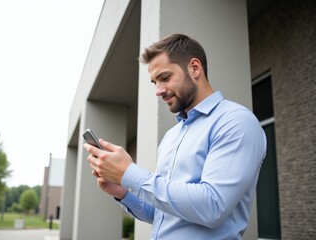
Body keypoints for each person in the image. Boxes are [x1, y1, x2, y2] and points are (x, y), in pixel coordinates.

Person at [83, 33, 267, 239]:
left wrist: (129, 173)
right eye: (154, 82)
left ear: (194, 68)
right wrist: (122, 191)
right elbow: (163, 214)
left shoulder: (235, 121)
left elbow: (213, 206)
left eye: (164, 78)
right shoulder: (172, 136)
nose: (158, 90)